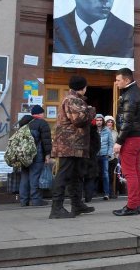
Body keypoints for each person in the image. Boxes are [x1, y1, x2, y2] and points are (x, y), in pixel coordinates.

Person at [49, 76, 96, 219]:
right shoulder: (73, 99)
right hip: (69, 145)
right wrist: (91, 110)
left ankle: (77, 204)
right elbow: (79, 120)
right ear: (82, 87)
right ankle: (56, 208)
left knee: (76, 175)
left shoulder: (72, 99)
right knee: (63, 175)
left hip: (73, 145)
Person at [112, 67, 140, 216]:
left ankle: (132, 206)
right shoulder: (135, 92)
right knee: (136, 172)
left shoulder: (130, 95)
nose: (116, 82)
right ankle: (137, 204)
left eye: (118, 80)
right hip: (137, 137)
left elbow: (126, 121)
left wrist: (119, 141)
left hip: (130, 138)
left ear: (126, 80)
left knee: (130, 172)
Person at [18, 105, 52, 207]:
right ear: (40, 113)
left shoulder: (24, 123)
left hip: (24, 155)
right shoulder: (42, 123)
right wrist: (47, 154)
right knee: (35, 177)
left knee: (24, 177)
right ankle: (36, 200)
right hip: (37, 155)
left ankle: (23, 200)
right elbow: (46, 141)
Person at [95, 114, 113, 200]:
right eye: (97, 120)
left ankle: (106, 193)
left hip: (104, 155)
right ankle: (92, 193)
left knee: (105, 174)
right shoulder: (92, 130)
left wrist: (109, 153)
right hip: (94, 155)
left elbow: (111, 144)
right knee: (94, 174)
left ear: (103, 121)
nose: (99, 122)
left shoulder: (107, 131)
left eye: (100, 120)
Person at [105, 115, 120, 199]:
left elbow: (117, 143)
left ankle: (111, 192)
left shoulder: (115, 133)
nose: (110, 123)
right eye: (108, 122)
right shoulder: (102, 132)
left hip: (113, 156)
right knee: (103, 175)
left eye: (111, 122)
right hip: (103, 155)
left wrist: (116, 155)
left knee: (111, 175)